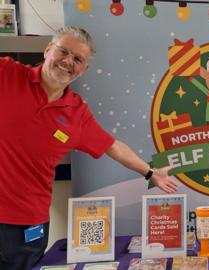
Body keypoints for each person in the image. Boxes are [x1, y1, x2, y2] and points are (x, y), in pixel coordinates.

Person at [0, 26, 179, 269]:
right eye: (63, 51)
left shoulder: (77, 114)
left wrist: (150, 172)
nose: (67, 61)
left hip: (28, 224)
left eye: (77, 59)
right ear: (47, 50)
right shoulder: (7, 73)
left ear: (84, 69)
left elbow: (113, 147)